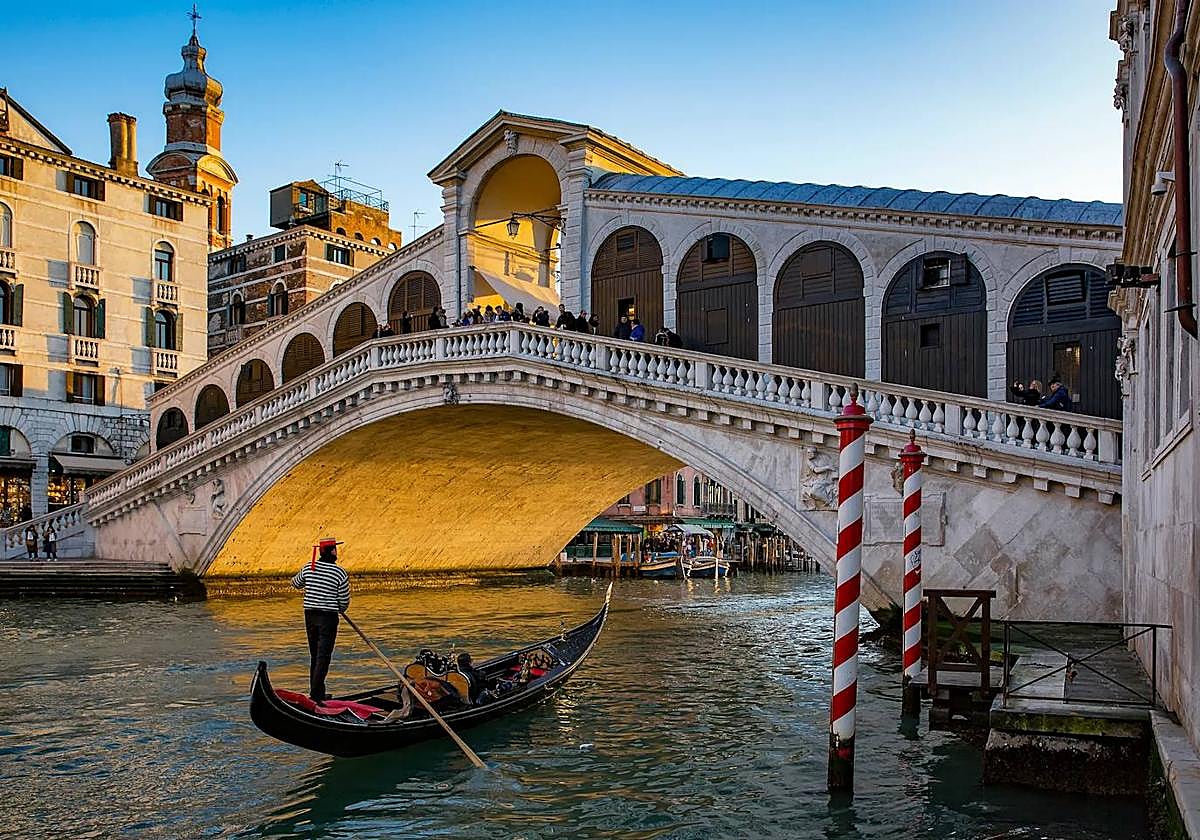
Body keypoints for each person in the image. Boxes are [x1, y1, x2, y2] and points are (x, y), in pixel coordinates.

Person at [291, 537, 351, 703]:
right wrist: (338, 607)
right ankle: (316, 695)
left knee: (315, 655)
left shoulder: (309, 568)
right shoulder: (339, 573)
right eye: (335, 549)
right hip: (328, 618)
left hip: (310, 615)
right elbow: (344, 601)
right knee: (323, 656)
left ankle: (317, 692)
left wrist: (309, 580)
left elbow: (295, 583)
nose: (336, 552)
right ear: (332, 551)